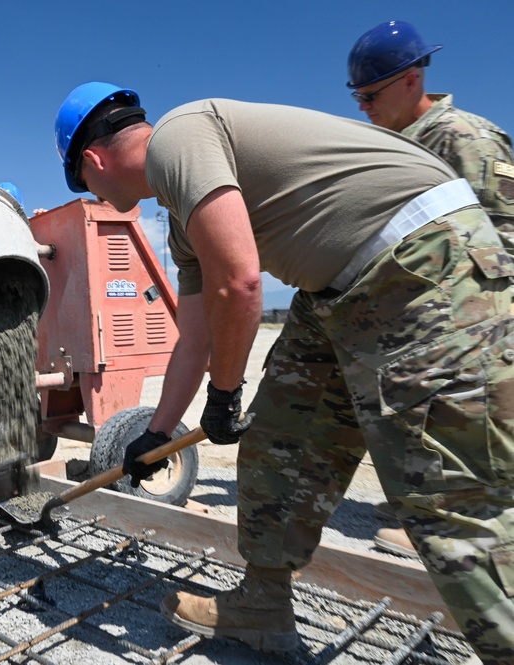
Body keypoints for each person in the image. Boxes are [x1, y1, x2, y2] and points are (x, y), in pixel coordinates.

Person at [54, 82, 514, 663]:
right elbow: (195, 335)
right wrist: (158, 432)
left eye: (82, 183)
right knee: (280, 440)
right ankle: (263, 603)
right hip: (338, 293)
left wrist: (224, 396)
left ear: (92, 161)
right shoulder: (182, 218)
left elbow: (241, 282)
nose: (90, 191)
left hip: (422, 265)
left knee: (448, 493)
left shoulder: (179, 138)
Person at [347, 20, 514, 560]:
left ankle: (468, 532)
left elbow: (504, 231)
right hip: (424, 309)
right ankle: (428, 507)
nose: (362, 107)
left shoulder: (464, 138)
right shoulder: (398, 147)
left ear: (411, 80)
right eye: (357, 97)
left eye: (371, 95)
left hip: (475, 311)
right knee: (418, 413)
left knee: (467, 418)